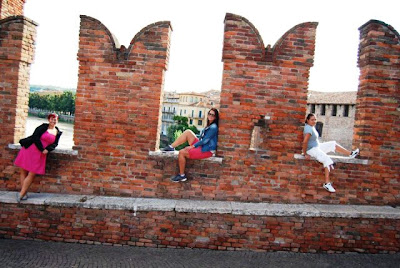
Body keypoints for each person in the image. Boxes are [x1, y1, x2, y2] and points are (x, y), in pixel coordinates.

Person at [302, 113, 359, 193]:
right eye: (312, 120)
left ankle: (350, 153)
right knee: (327, 160)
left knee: (333, 144)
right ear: (307, 120)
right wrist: (305, 154)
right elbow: (305, 142)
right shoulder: (308, 129)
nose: (314, 121)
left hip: (317, 147)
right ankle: (327, 183)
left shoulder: (311, 127)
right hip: (312, 150)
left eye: (315, 119)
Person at [14, 113, 62, 202]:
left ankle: (21, 194)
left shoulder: (58, 132)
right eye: (52, 119)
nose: (53, 120)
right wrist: (41, 148)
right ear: (49, 120)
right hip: (30, 149)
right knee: (23, 170)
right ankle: (23, 193)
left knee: (32, 173)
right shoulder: (42, 127)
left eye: (55, 119)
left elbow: (55, 144)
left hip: (41, 154)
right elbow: (35, 137)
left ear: (57, 120)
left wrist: (47, 149)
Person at [162, 108, 219, 182]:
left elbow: (205, 141)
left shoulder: (213, 127)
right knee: (188, 132)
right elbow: (202, 139)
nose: (210, 116)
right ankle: (171, 147)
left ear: (215, 117)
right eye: (209, 114)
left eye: (213, 115)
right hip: (202, 146)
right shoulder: (209, 125)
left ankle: (182, 176)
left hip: (206, 150)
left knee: (182, 152)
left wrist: (192, 146)